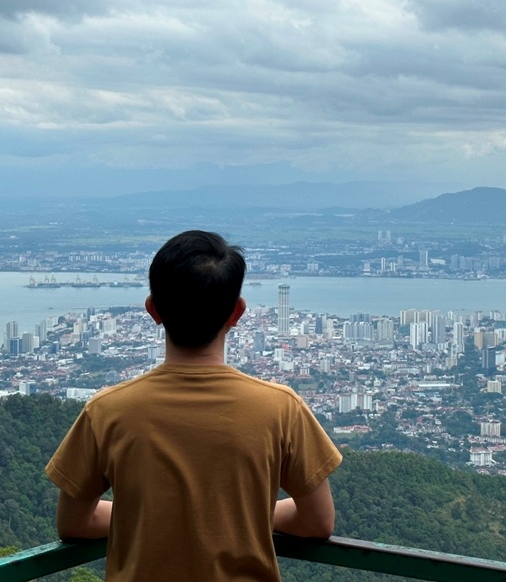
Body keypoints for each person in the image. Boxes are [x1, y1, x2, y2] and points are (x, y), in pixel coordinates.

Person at [46, 230, 342, 582]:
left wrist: (157, 517)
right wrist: (242, 514)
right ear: (237, 312)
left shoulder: (107, 411)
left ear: (153, 310)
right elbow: (317, 522)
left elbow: (74, 524)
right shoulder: (281, 408)